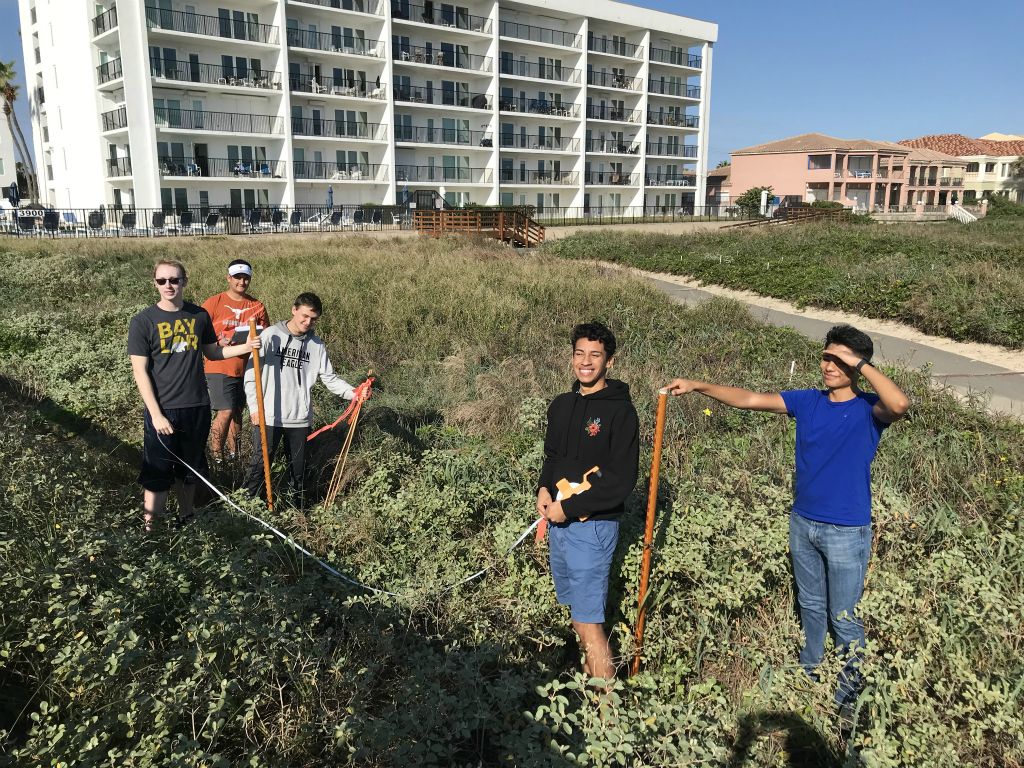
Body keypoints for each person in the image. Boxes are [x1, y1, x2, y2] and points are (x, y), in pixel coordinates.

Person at [665, 324, 910, 712]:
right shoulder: (808, 401)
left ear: (857, 364)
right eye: (826, 357)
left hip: (847, 528)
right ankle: (810, 672)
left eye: (838, 359)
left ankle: (850, 702)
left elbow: (898, 404)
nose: (828, 365)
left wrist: (858, 363)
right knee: (811, 605)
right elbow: (748, 399)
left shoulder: (868, 410)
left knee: (845, 617)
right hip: (803, 522)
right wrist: (699, 385)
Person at [536, 322, 639, 682]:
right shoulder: (561, 405)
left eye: (595, 355)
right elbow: (552, 458)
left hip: (591, 528)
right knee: (577, 617)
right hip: (559, 526)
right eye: (580, 353)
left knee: (589, 623)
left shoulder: (620, 413)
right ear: (571, 357)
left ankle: (608, 718)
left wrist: (570, 508)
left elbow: (621, 481)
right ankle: (589, 697)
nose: (586, 362)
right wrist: (544, 490)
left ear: (609, 362)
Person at [128, 259, 261, 531]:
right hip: (163, 409)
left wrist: (246, 347)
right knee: (158, 471)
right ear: (154, 283)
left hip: (197, 405)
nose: (168, 285)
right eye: (162, 281)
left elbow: (213, 352)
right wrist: (155, 414)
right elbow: (140, 372)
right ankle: (152, 527)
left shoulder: (198, 316)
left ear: (184, 281)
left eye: (174, 280)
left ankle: (186, 518)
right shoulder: (143, 321)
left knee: (189, 470)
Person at [244, 292, 356, 507]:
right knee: (259, 465)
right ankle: (247, 510)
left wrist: (354, 392)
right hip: (269, 415)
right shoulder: (270, 335)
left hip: (300, 419)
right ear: (294, 310)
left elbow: (330, 379)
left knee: (299, 469)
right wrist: (254, 408)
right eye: (304, 316)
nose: (307, 322)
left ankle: (299, 511)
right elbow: (251, 375)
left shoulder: (317, 345)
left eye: (313, 319)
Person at [201, 259, 270, 462]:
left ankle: (234, 455)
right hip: (219, 365)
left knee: (237, 411)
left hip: (247, 368)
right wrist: (219, 340)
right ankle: (217, 458)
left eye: (246, 277)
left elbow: (265, 334)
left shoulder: (257, 306)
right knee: (226, 410)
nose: (242, 281)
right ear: (228, 278)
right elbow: (200, 333)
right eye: (237, 277)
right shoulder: (214, 302)